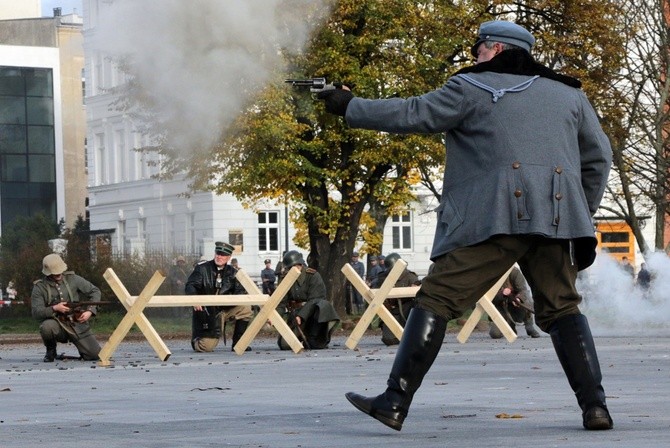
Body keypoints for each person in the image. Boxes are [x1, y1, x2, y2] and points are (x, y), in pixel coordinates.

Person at [318, 20, 613, 431]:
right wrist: (580, 210)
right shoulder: (570, 94)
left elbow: (413, 113)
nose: (475, 57)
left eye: (478, 50)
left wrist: (349, 105)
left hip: (494, 219)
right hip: (556, 219)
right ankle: (595, 407)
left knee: (436, 300)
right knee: (563, 308)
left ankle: (394, 400)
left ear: (493, 48)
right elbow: (599, 157)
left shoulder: (472, 88)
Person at [31, 253, 102, 362]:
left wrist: (90, 310)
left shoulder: (73, 279)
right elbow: (36, 312)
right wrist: (55, 308)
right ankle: (51, 350)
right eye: (55, 272)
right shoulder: (39, 287)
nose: (58, 274)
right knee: (46, 327)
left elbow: (95, 291)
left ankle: (83, 350)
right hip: (57, 324)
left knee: (95, 355)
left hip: (77, 322)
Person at [185, 241, 253, 352]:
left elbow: (240, 292)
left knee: (245, 307)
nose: (219, 256)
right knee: (206, 347)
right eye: (218, 253)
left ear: (229, 257)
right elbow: (190, 285)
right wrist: (195, 299)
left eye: (223, 255)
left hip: (225, 309)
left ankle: (239, 343)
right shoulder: (202, 269)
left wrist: (230, 302)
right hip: (207, 312)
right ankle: (196, 339)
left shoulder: (233, 272)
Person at [277, 250, 340, 350]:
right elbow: (281, 301)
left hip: (312, 315)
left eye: (291, 267)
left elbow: (316, 299)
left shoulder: (313, 276)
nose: (289, 271)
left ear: (300, 265)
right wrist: (275, 317)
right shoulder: (286, 278)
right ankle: (302, 337)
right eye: (288, 268)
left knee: (322, 305)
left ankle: (314, 336)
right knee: (285, 345)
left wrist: (301, 315)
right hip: (295, 314)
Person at [375, 253, 421, 346]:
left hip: (406, 310)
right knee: (389, 340)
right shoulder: (382, 277)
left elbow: (418, 295)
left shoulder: (410, 276)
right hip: (391, 311)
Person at [489, 266, 541, 339]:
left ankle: (529, 324)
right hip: (501, 305)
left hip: (516, 303)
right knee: (495, 334)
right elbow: (489, 297)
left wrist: (518, 299)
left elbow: (523, 290)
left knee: (526, 298)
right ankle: (510, 326)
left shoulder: (514, 272)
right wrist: (502, 294)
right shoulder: (490, 274)